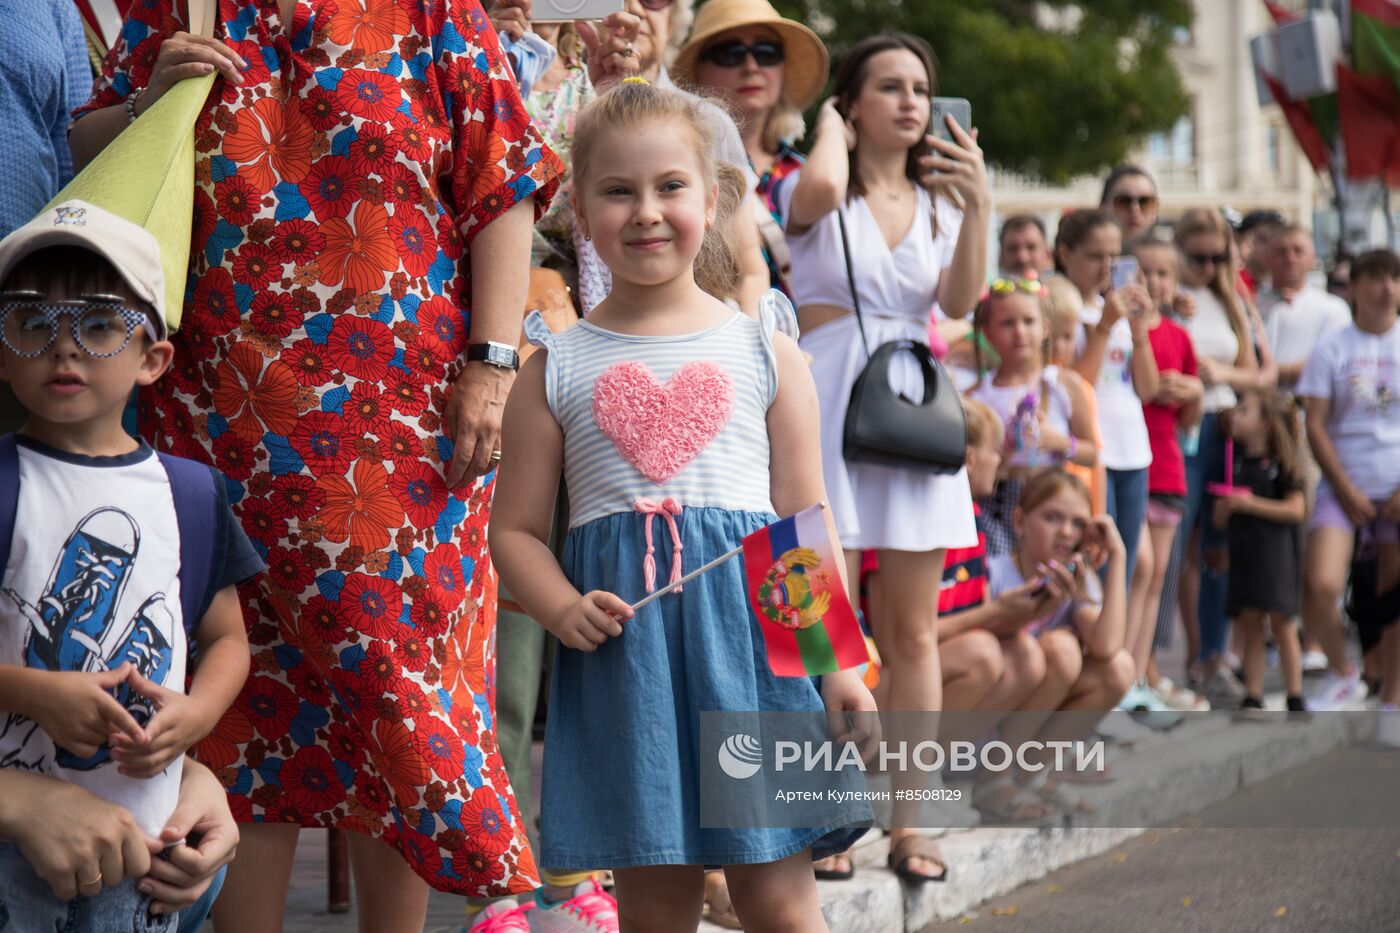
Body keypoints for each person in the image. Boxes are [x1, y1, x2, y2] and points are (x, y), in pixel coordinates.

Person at [69, 1, 565, 927]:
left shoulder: (431, 8)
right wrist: (149, 98)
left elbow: (504, 179)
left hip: (404, 434)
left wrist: (492, 369)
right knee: (237, 700)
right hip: (214, 422)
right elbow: (90, 153)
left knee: (393, 697)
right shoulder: (173, 5)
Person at [490, 78, 873, 932]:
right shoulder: (555, 365)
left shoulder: (764, 352)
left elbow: (799, 526)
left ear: (713, 198)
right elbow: (511, 530)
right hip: (624, 665)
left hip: (751, 662)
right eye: (617, 191)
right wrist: (557, 604)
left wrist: (839, 664)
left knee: (777, 897)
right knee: (654, 902)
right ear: (580, 213)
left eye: (670, 187)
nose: (646, 211)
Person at [0, 201, 262, 928]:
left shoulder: (190, 493)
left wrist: (197, 715)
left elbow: (227, 636)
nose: (64, 348)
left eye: (99, 324)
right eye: (31, 321)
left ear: (153, 357)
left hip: (148, 830)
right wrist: (33, 690)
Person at [780, 30, 989, 884]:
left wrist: (977, 201)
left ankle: (911, 820)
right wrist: (829, 126)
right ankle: (828, 819)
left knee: (911, 631)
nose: (910, 101)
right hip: (823, 399)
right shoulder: (813, 185)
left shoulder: (941, 204)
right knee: (817, 625)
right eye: (889, 87)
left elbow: (963, 299)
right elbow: (824, 185)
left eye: (921, 88)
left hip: (912, 406)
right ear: (851, 102)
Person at [1156, 209, 1263, 702]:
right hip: (1182, 427)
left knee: (1217, 547)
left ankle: (1214, 656)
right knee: (1178, 546)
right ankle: (1189, 655)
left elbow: (1256, 373)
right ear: (1178, 250)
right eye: (1197, 256)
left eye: (1217, 256)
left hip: (1224, 428)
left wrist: (1218, 372)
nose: (1207, 265)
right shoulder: (1168, 297)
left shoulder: (1232, 299)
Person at [990, 470, 1134, 814]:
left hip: (1022, 724)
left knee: (1119, 668)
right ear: (1020, 520)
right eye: (1052, 518)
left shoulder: (1078, 581)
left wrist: (1118, 558)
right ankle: (993, 778)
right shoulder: (994, 572)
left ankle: (1029, 773)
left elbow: (1106, 646)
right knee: (1063, 650)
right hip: (985, 722)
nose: (1066, 532)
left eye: (1078, 523)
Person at [1297, 248, 1400, 716]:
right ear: (1354, 287)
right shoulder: (1332, 348)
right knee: (1320, 583)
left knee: (1391, 595)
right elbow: (1314, 424)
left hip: (1396, 488)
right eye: (1377, 277)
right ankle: (1344, 672)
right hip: (1346, 485)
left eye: (1395, 278)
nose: (1388, 288)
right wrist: (1342, 486)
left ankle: (1392, 692)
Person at [675, 0, 829, 297]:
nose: (751, 66)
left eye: (766, 52)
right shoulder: (676, 171)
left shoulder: (805, 172)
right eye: (729, 53)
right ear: (697, 70)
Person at [1056, 210, 1157, 589]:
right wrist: (1104, 325)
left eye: (1114, 257)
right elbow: (1077, 383)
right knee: (1095, 564)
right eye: (1095, 256)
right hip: (1091, 450)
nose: (1106, 267)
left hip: (1133, 448)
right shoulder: (1063, 308)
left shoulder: (1113, 309)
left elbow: (1147, 389)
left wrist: (1138, 329)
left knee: (1123, 565)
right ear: (1066, 254)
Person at [1130, 239, 1209, 713]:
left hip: (1168, 466)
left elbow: (1189, 423)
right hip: (1131, 464)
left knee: (1157, 576)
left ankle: (1140, 674)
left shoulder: (1180, 337)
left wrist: (1193, 392)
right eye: (1145, 271)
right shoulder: (1122, 330)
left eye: (1163, 273)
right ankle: (1123, 675)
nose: (1154, 282)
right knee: (1135, 572)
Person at [968, 277, 1097, 555]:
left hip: (1051, 498)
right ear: (988, 333)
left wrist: (1060, 442)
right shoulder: (977, 395)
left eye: (1028, 321)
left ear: (1045, 329)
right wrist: (1003, 453)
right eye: (1007, 323)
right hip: (998, 501)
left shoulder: (1064, 384)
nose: (1019, 332)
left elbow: (1093, 454)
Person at [1212, 388, 1308, 720]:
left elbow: (1296, 509)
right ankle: (1253, 694)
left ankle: (1295, 694)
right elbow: (1218, 518)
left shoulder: (1283, 464)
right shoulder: (1234, 461)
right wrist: (1225, 509)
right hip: (1246, 555)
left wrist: (1251, 503)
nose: (1235, 416)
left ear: (1266, 424)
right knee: (1251, 623)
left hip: (1277, 557)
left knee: (1282, 623)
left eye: (1244, 411)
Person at [1259, 224, 1351, 391]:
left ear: (1313, 257)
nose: (1290, 258)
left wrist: (1265, 374)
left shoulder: (1333, 308)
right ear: (1267, 258)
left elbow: (1332, 361)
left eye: (1298, 251)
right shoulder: (1249, 303)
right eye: (1281, 252)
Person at [1042, 276, 1105, 513]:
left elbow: (1096, 459)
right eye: (1051, 336)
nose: (1058, 346)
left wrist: (1098, 513)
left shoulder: (1076, 387)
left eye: (1068, 336)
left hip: (1077, 499)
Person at [1099, 165, 1158, 243]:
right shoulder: (1081, 252)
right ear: (1104, 207)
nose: (1135, 209)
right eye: (1123, 201)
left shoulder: (1173, 253)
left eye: (1145, 202)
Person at [1235, 210, 1284, 299]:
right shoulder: (1233, 282)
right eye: (1263, 239)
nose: (1270, 246)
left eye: (1276, 240)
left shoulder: (1285, 285)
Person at [998, 215, 1053, 280]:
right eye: (1013, 248)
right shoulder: (986, 289)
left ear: (1048, 254)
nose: (1022, 258)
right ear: (1001, 256)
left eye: (1031, 247)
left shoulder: (1062, 289)